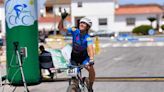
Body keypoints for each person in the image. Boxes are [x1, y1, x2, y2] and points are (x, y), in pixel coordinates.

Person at [58, 11, 95, 92]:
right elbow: (60, 29)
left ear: (88, 27)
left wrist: (91, 59)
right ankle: (75, 87)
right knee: (74, 80)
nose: (81, 24)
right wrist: (62, 19)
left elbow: (90, 48)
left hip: (84, 59)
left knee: (91, 69)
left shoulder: (88, 38)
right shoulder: (75, 31)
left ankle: (90, 86)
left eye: (84, 23)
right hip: (74, 58)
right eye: (81, 22)